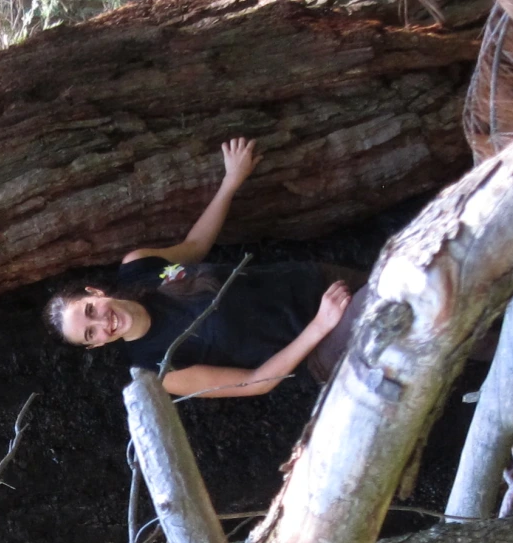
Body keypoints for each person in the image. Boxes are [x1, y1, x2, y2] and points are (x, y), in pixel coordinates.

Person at [45, 138, 364, 398]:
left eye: (90, 310)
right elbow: (256, 381)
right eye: (91, 332)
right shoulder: (160, 370)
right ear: (96, 344)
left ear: (94, 293)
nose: (103, 322)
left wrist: (231, 181)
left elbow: (195, 247)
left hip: (318, 281)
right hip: (319, 345)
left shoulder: (138, 266)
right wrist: (321, 326)